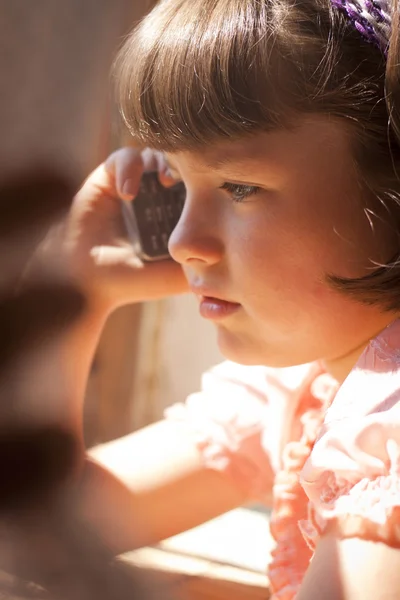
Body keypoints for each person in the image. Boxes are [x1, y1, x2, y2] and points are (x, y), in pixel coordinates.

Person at [49, 0, 400, 597]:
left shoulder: (384, 435)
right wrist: (75, 294)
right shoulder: (301, 387)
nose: (184, 241)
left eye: (239, 186)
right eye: (178, 183)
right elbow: (42, 526)